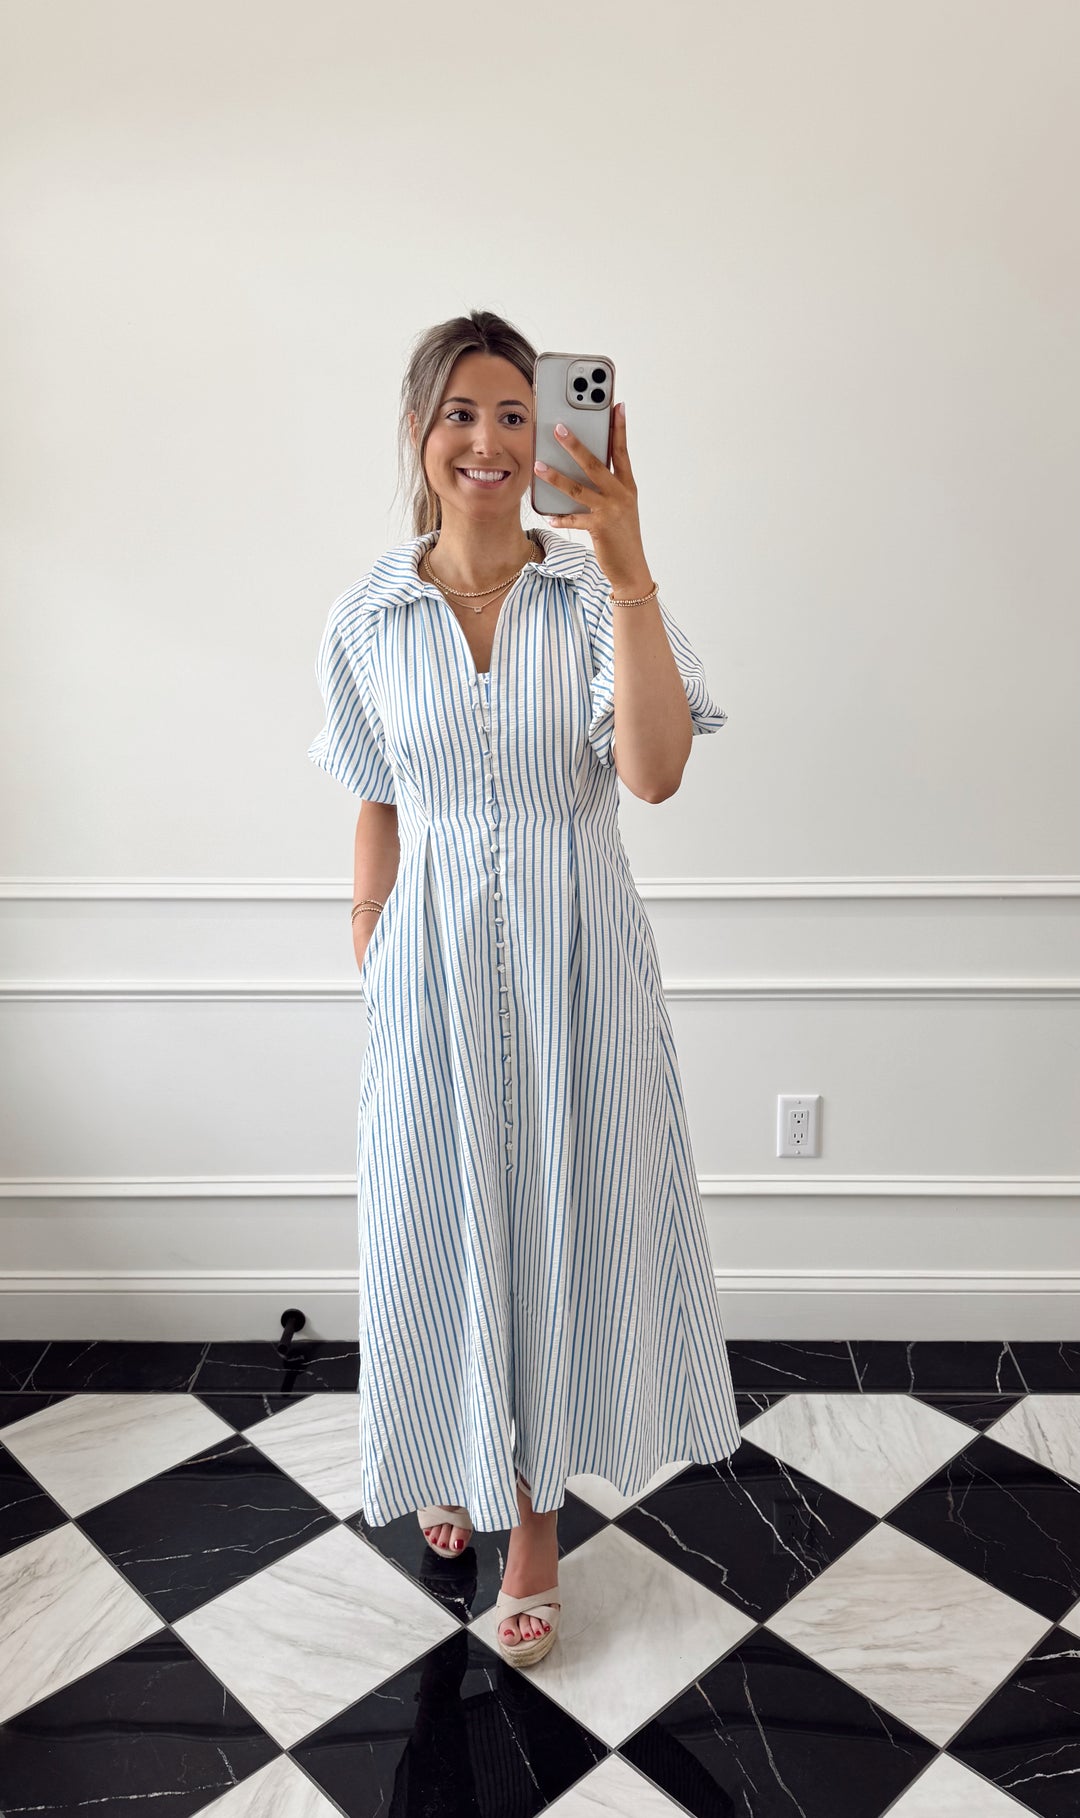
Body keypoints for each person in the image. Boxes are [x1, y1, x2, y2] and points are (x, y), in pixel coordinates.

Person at [308, 309, 740, 1665]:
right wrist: (371, 928)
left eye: (517, 413)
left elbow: (657, 772)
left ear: (556, 430)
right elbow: (373, 793)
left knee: (557, 1214)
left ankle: (537, 1519)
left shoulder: (591, 599)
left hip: (580, 952)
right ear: (420, 436)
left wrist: (629, 560)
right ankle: (450, 1454)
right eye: (461, 414)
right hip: (426, 957)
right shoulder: (369, 613)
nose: (489, 440)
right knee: (433, 1216)